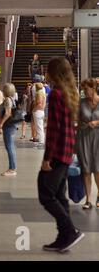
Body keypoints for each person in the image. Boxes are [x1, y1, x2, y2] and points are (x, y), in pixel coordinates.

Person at [38, 57, 84, 253]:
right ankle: (63, 237)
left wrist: (47, 158)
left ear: (53, 72)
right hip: (66, 152)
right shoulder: (71, 93)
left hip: (56, 154)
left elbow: (54, 129)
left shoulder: (56, 94)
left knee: (46, 194)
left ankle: (70, 231)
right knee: (59, 195)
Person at [77, 78, 99, 210]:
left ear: (94, 88)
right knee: (86, 169)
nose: (85, 92)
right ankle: (88, 199)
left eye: (87, 89)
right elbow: (77, 119)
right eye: (83, 89)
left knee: (97, 169)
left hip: (97, 137)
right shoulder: (81, 103)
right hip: (83, 137)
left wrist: (97, 123)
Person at [0, 83, 18, 176]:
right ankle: (12, 167)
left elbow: (7, 113)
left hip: (8, 125)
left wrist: (1, 124)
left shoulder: (7, 99)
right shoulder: (12, 99)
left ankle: (12, 169)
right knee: (10, 146)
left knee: (9, 147)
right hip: (11, 125)